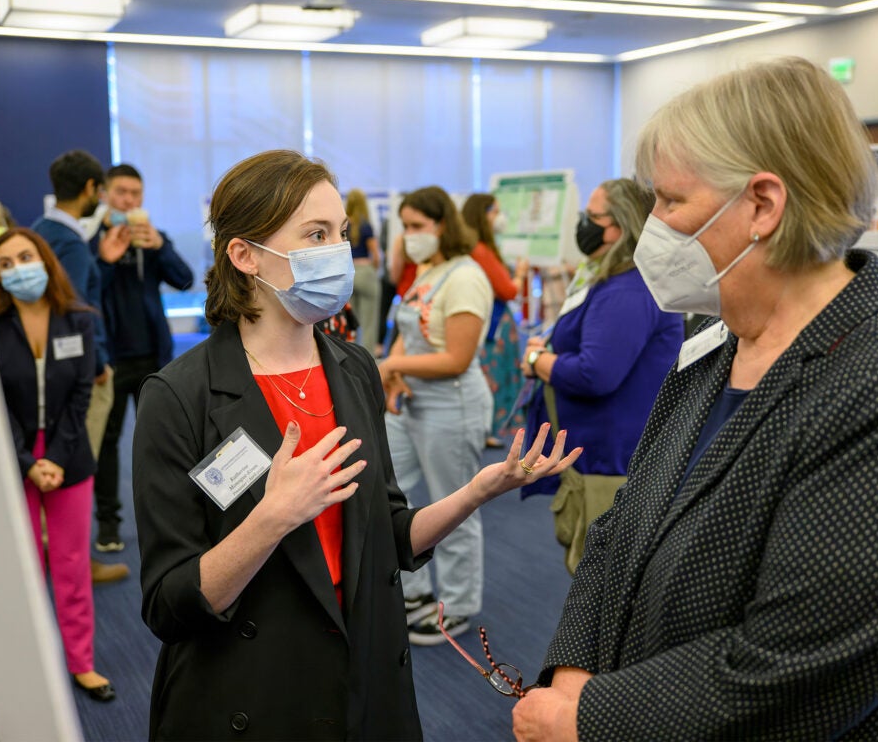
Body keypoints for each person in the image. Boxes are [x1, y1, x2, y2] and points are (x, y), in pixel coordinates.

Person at [132, 150, 580, 740]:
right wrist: (272, 518)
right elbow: (170, 604)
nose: (337, 252)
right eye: (315, 234)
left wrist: (476, 491)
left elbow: (389, 533)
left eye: (341, 233)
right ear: (244, 255)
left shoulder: (353, 367)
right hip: (252, 689)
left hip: (365, 670)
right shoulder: (180, 396)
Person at [512, 57, 878, 741]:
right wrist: (572, 674)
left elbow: (797, 663)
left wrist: (589, 720)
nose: (653, 226)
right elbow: (619, 530)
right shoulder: (717, 349)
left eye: (669, 201)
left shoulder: (877, 384)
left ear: (761, 206)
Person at [518, 178, 683, 574]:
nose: (584, 225)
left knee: (604, 577)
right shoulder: (612, 278)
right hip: (600, 454)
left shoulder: (627, 289)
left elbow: (596, 374)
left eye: (593, 217)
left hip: (612, 462)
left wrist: (540, 360)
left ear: (622, 225)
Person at [0, 228, 116, 702]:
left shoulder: (78, 320)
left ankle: (81, 663)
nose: (19, 268)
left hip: (69, 454)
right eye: (6, 263)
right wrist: (27, 462)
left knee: (71, 562)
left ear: (44, 259)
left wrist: (55, 459)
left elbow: (83, 395)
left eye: (26, 256)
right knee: (19, 565)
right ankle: (24, 661)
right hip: (10, 456)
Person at [378, 186, 495, 645]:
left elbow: (458, 358)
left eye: (417, 227)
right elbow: (408, 328)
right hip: (413, 403)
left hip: (452, 404)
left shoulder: (466, 277)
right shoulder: (429, 271)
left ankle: (459, 606)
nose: (409, 236)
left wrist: (391, 366)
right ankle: (415, 589)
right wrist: (395, 373)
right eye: (404, 227)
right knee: (391, 491)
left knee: (455, 504)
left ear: (442, 225)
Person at [32, 150, 130, 585]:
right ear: (92, 189)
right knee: (76, 466)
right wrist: (97, 365)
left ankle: (57, 552)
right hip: (81, 372)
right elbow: (75, 310)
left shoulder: (41, 232)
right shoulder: (69, 241)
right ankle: (74, 559)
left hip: (49, 370)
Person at [90, 163, 194, 553]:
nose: (129, 200)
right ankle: (109, 526)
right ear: (104, 195)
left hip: (155, 356)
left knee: (163, 443)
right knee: (108, 444)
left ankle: (173, 522)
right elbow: (84, 294)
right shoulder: (92, 241)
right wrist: (104, 259)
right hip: (111, 359)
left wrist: (160, 248)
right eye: (121, 193)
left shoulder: (154, 238)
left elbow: (185, 279)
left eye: (135, 194)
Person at [462, 192, 531, 448]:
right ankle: (488, 429)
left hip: (485, 320)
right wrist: (521, 274)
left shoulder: (470, 248)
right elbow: (509, 291)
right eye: (494, 211)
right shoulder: (481, 250)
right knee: (494, 377)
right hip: (494, 324)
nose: (499, 218)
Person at [345, 188, 382, 354]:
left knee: (349, 321)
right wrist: (374, 269)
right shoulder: (366, 225)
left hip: (348, 272)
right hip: (365, 270)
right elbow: (376, 255)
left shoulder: (344, 225)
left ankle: (348, 356)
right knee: (369, 322)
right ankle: (369, 360)